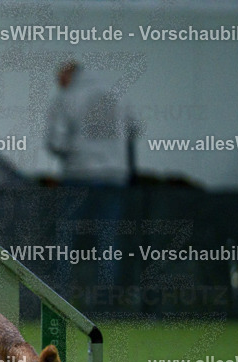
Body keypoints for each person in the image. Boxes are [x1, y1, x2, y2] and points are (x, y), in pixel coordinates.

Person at [46, 61, 139, 295]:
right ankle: (106, 298)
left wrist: (77, 152)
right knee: (108, 239)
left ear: (69, 75)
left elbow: (56, 142)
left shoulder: (66, 98)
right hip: (114, 176)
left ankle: (60, 295)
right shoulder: (117, 94)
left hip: (79, 175)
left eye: (60, 78)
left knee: (66, 236)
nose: (58, 83)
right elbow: (135, 128)